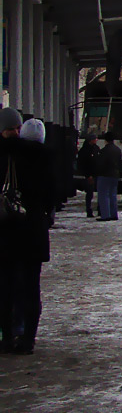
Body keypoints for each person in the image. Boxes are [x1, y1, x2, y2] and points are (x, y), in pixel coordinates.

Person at [0, 109, 56, 355]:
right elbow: (52, 195)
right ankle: (28, 339)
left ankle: (7, 337)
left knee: (6, 287)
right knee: (31, 288)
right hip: (33, 232)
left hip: (6, 232)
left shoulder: (6, 155)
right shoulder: (44, 157)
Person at [95, 131, 122, 221]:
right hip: (115, 174)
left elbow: (100, 164)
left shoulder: (104, 151)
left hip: (104, 175)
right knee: (113, 195)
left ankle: (105, 215)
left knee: (103, 195)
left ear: (106, 140)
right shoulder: (118, 150)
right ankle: (114, 214)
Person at [77, 130, 100, 217]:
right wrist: (87, 175)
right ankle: (89, 210)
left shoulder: (96, 148)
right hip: (89, 175)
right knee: (90, 193)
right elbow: (82, 164)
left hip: (96, 174)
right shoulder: (84, 151)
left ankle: (98, 209)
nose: (96, 140)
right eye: (95, 138)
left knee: (96, 193)